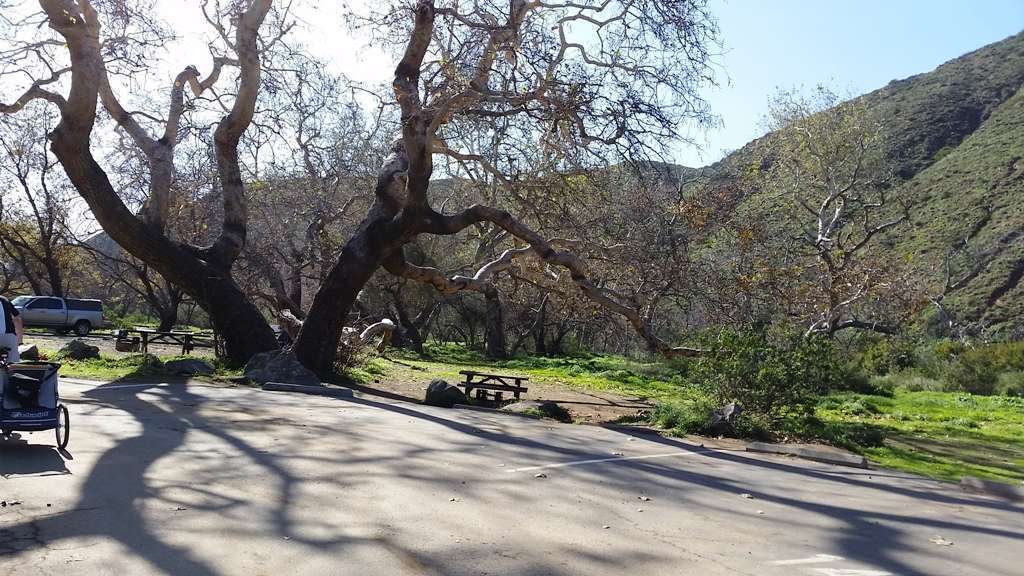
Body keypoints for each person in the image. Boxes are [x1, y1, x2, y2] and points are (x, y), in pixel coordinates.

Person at [0, 295, 23, 362]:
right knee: (13, 361)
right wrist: (20, 339)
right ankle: (13, 365)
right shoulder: (5, 300)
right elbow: (17, 318)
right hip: (9, 336)